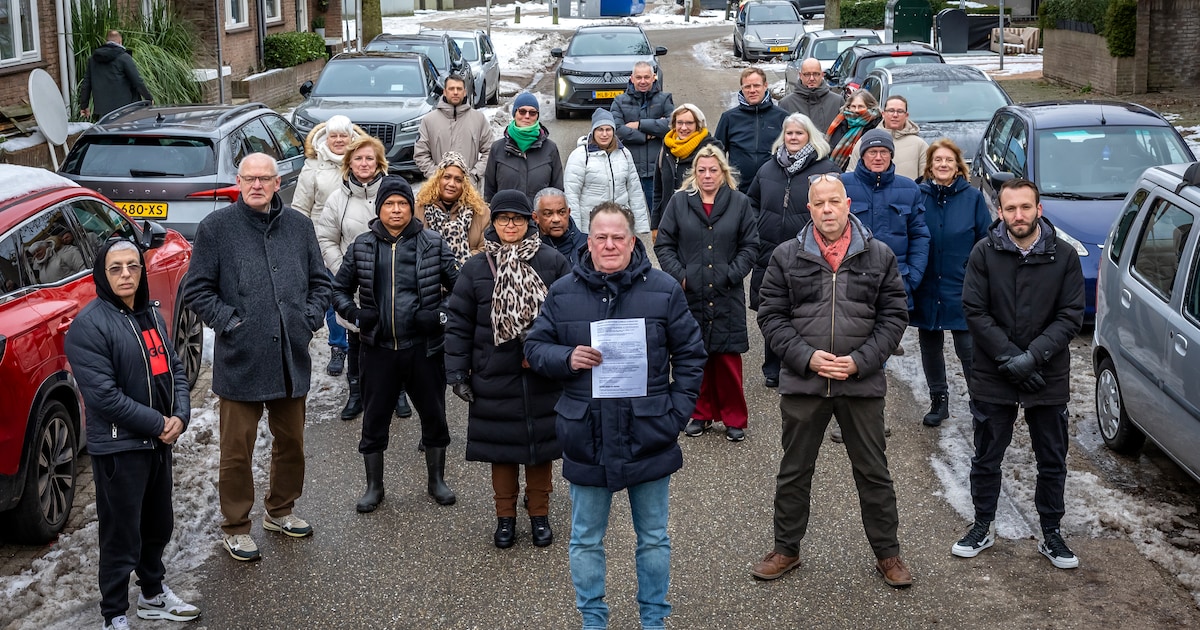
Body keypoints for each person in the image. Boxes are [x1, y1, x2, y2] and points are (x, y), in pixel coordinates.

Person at [525, 202, 706, 630]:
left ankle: (654, 619)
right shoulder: (563, 291)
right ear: (588, 242)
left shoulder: (664, 290)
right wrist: (567, 357)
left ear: (633, 241)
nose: (609, 244)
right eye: (601, 237)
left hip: (650, 430)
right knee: (586, 539)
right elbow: (534, 348)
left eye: (618, 237)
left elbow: (692, 355)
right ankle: (593, 620)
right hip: (586, 432)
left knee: (654, 539)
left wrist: (676, 414)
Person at [752, 173, 913, 588]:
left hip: (860, 385)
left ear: (848, 204)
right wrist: (807, 358)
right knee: (794, 471)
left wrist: (861, 362)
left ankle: (888, 554)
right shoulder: (787, 255)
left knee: (874, 473)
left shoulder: (878, 256)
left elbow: (894, 316)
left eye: (834, 201)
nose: (827, 209)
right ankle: (786, 549)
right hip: (805, 383)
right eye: (818, 203)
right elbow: (771, 315)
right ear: (809, 209)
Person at [184, 153, 332, 562]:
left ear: (277, 181)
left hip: (289, 356)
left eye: (264, 179)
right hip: (242, 357)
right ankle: (235, 525)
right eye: (249, 179)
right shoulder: (216, 229)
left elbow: (321, 282)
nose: (256, 186)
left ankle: (281, 509)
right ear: (238, 181)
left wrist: (307, 319)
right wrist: (230, 323)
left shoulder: (299, 227)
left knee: (292, 444)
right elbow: (196, 291)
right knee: (237, 451)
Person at [65, 239, 200, 630]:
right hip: (120, 448)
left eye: (132, 267)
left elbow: (175, 369)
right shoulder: (89, 327)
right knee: (121, 536)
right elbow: (104, 398)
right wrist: (160, 424)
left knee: (157, 525)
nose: (126, 275)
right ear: (102, 275)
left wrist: (180, 415)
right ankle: (113, 615)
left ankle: (153, 595)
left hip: (158, 443)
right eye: (116, 268)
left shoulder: (149, 315)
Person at [954, 178, 1084, 570]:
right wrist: (1011, 357)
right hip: (994, 371)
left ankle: (1051, 531)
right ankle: (982, 524)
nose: (1018, 215)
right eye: (1010, 208)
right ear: (1000, 212)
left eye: (1025, 207)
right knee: (987, 455)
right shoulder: (983, 253)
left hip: (1048, 374)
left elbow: (1071, 316)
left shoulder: (1064, 256)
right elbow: (974, 310)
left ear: (1038, 209)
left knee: (1052, 458)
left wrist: (1033, 357)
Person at [445, 190, 572, 548]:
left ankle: (540, 513)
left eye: (517, 218)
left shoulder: (551, 261)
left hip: (542, 372)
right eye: (503, 219)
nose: (510, 225)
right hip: (493, 372)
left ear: (530, 221)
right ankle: (505, 517)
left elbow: (569, 314)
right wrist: (457, 373)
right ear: (494, 224)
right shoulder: (475, 268)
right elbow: (458, 323)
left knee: (540, 447)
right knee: (501, 450)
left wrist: (565, 359)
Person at [332, 176, 461, 513]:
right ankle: (374, 486)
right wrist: (356, 315)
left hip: (424, 348)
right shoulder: (361, 246)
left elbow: (461, 292)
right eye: (389, 203)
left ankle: (437, 480)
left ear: (410, 208)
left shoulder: (433, 243)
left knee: (434, 415)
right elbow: (338, 290)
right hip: (378, 349)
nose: (396, 209)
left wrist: (439, 317)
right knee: (374, 419)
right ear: (380, 209)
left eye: (402, 203)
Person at [655, 145, 758, 442]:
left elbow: (751, 245)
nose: (707, 175)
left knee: (726, 360)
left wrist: (732, 273)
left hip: (726, 293)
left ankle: (733, 417)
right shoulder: (679, 202)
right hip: (691, 294)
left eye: (713, 170)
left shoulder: (739, 202)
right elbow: (664, 244)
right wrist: (681, 277)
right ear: (694, 173)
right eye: (701, 170)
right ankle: (700, 413)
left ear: (723, 172)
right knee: (694, 356)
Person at [317, 136, 414, 421]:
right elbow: (326, 239)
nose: (364, 163)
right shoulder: (337, 199)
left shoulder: (395, 194)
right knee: (357, 339)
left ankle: (399, 393)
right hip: (355, 282)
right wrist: (344, 269)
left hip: (393, 279)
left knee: (396, 338)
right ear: (349, 163)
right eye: (358, 158)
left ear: (379, 162)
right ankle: (356, 392)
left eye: (369, 158)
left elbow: (410, 230)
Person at [746, 113, 840, 388]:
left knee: (805, 309)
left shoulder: (825, 169)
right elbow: (752, 200)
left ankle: (802, 362)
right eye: (789, 134)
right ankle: (772, 367)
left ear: (809, 136)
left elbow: (834, 207)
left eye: (799, 133)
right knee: (772, 308)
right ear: (782, 137)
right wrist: (757, 226)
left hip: (808, 251)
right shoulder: (768, 169)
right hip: (770, 251)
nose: (794, 138)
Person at [911, 139, 991, 427]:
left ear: (958, 165)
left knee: (968, 348)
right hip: (928, 283)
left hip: (962, 285)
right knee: (930, 344)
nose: (943, 165)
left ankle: (980, 402)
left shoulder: (973, 198)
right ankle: (938, 400)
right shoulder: (917, 195)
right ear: (930, 166)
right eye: (937, 160)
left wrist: (976, 275)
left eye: (949, 160)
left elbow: (985, 240)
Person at [292, 115, 363, 378]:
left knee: (360, 293)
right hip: (323, 241)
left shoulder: (360, 161)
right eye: (333, 136)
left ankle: (362, 339)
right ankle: (338, 345)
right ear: (326, 138)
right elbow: (300, 208)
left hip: (356, 239)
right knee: (333, 295)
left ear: (351, 137)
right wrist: (303, 242)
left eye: (343, 135)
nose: (338, 140)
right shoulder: (313, 167)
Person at [564, 109, 650, 234]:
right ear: (593, 131)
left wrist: (641, 226)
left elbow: (634, 190)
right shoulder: (580, 156)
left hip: (620, 224)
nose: (604, 134)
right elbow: (571, 195)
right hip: (591, 226)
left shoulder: (624, 154)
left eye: (608, 130)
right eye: (600, 129)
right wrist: (575, 230)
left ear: (613, 131)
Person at [651, 103, 722, 238]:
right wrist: (655, 225)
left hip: (700, 228)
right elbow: (658, 191)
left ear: (698, 125)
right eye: (680, 123)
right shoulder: (666, 149)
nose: (684, 128)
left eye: (689, 123)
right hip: (669, 224)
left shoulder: (711, 150)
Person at [611, 61, 674, 211]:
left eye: (647, 77)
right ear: (632, 78)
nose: (643, 81)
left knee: (659, 216)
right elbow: (618, 130)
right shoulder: (619, 101)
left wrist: (639, 124)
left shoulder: (665, 99)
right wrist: (648, 135)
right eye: (639, 77)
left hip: (656, 170)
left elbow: (672, 126)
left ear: (654, 77)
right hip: (629, 169)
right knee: (625, 217)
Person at [714, 68, 788, 194]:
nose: (752, 90)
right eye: (747, 86)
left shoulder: (782, 117)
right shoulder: (729, 118)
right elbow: (716, 153)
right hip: (739, 189)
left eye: (756, 86)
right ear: (742, 88)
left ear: (765, 86)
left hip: (774, 187)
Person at [414, 74, 493, 186]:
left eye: (459, 89)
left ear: (464, 92)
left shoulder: (478, 119)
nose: (455, 92)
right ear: (444, 92)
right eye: (451, 89)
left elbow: (490, 151)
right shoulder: (429, 120)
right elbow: (420, 154)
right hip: (439, 190)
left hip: (469, 189)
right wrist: (437, 175)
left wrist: (474, 174)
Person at [484, 92, 563, 202]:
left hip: (539, 218)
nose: (527, 116)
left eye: (532, 113)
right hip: (507, 218)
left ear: (537, 116)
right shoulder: (497, 148)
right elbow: (489, 191)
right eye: (522, 111)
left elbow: (557, 190)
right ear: (514, 113)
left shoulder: (550, 149)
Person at [415, 151, 490, 266]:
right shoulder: (418, 209)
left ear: (464, 184)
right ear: (438, 179)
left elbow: (487, 250)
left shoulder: (481, 212)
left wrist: (459, 262)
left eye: (458, 180)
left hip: (469, 276)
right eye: (447, 177)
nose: (451, 184)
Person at [849, 95, 928, 180]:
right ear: (883, 114)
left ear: (906, 115)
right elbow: (852, 175)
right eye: (891, 111)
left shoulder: (920, 145)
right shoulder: (865, 141)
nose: (895, 115)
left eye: (900, 111)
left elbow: (926, 180)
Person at [78, 30, 153, 120]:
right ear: (120, 42)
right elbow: (137, 81)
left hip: (103, 110)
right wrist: (149, 98)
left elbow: (86, 84)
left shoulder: (93, 59)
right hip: (125, 109)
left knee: (108, 133)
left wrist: (84, 106)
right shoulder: (124, 58)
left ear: (106, 42)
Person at [778, 57, 844, 132]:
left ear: (822, 75)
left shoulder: (837, 102)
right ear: (800, 75)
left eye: (816, 74)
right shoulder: (786, 104)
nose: (812, 78)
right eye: (807, 74)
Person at [827, 90, 881, 171]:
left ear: (870, 107)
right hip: (835, 173)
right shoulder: (840, 122)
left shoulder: (875, 126)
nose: (856, 110)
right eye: (853, 106)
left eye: (861, 106)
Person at [533, 187, 588, 267]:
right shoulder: (528, 250)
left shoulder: (588, 245)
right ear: (536, 217)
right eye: (548, 213)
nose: (556, 219)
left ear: (569, 212)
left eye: (562, 212)